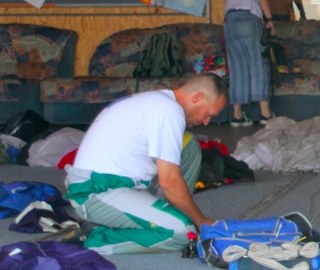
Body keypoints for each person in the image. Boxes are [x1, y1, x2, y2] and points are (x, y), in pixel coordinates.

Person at [63, 74, 228, 254]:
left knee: (188, 145)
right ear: (197, 97)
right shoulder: (169, 112)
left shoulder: (161, 101)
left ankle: (167, 216)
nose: (206, 122)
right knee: (183, 233)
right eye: (208, 114)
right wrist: (201, 222)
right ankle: (91, 238)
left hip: (122, 183)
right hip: (96, 192)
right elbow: (170, 182)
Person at [224, 0, 276, 126]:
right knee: (257, 63)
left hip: (229, 21)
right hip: (248, 19)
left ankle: (237, 115)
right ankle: (265, 114)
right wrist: (270, 20)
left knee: (237, 67)